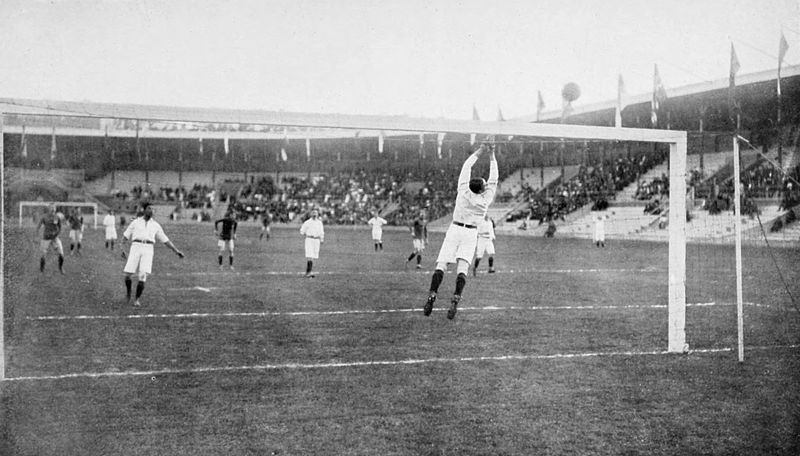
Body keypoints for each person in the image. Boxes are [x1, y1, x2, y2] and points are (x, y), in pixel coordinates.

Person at [424, 143, 498, 320]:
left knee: (441, 265)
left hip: (455, 229)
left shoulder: (463, 190)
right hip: (470, 233)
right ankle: (455, 300)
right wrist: (492, 155)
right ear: (481, 189)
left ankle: (432, 295)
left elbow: (467, 166)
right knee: (462, 268)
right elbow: (494, 178)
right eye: (485, 185)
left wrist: (480, 151)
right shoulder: (485, 199)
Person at [120, 203, 184, 306]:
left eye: (153, 209)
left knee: (143, 275)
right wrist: (122, 249)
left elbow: (165, 240)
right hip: (135, 247)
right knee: (128, 275)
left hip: (148, 249)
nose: (151, 211)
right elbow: (125, 236)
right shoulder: (135, 222)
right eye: (149, 208)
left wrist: (176, 251)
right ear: (144, 210)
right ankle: (128, 293)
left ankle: (136, 299)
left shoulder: (156, 225)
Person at [36, 204, 65, 274]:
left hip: (55, 238)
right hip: (46, 238)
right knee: (43, 255)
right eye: (51, 208)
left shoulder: (57, 217)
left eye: (54, 208)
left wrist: (56, 234)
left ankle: (60, 268)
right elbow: (38, 227)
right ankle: (41, 270)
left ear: (55, 209)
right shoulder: (44, 217)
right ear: (48, 209)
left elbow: (61, 228)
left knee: (61, 254)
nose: (53, 209)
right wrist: (37, 236)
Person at [299, 209, 324, 278]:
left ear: (318, 214)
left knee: (313, 256)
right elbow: (302, 231)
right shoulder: (307, 222)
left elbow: (321, 232)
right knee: (309, 255)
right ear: (311, 214)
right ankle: (308, 272)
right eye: (313, 213)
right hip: (309, 240)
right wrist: (308, 235)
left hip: (316, 240)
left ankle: (308, 272)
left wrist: (322, 239)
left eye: (316, 213)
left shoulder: (319, 223)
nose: (314, 214)